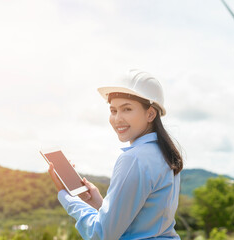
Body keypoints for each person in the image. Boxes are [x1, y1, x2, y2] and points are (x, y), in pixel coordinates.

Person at [48, 69, 183, 240]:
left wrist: (67, 196)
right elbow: (142, 222)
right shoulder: (164, 154)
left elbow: (101, 234)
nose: (117, 118)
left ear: (150, 113)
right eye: (113, 111)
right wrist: (98, 204)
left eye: (127, 109)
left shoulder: (134, 159)